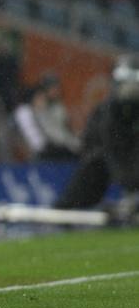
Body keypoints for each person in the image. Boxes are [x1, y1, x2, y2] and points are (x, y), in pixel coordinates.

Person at [56, 54, 139, 214]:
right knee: (96, 163)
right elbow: (98, 145)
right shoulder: (106, 112)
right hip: (111, 163)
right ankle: (66, 209)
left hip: (126, 161)